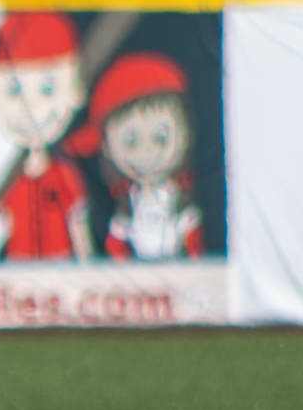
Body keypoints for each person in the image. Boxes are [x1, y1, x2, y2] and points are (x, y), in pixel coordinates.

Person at [0, 12, 94, 261]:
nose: (30, 106)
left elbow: (78, 222)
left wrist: (88, 268)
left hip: (60, 272)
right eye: (14, 90)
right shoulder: (10, 178)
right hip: (19, 275)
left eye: (47, 89)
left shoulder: (63, 170)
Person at [64, 53, 203, 261]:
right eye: (130, 142)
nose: (147, 153)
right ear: (107, 148)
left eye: (160, 138)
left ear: (185, 134)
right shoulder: (128, 202)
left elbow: (194, 245)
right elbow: (117, 245)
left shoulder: (177, 197)